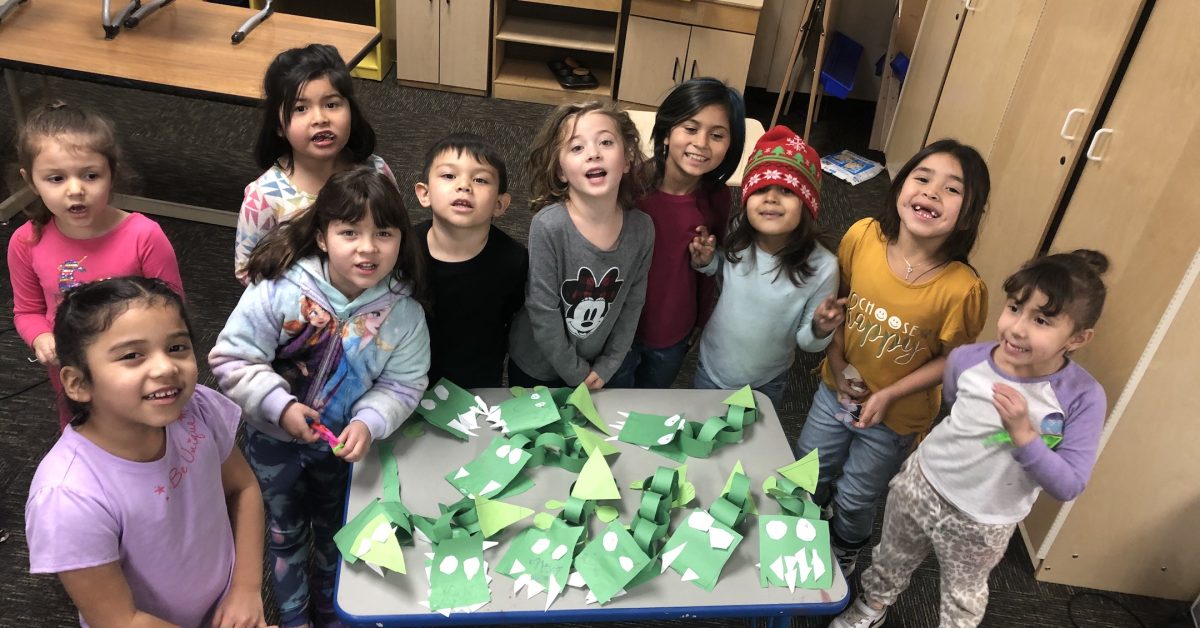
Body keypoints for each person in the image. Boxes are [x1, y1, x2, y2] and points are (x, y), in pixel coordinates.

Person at [831, 250, 1109, 628]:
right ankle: (873, 605)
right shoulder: (967, 359)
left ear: (1078, 337)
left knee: (964, 595)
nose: (1017, 328)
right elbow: (953, 407)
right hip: (922, 483)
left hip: (984, 519)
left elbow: (1069, 484)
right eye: (1014, 308)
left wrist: (1025, 435)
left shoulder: (1081, 397)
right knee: (891, 555)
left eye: (1042, 320)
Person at [210, 168, 429, 627]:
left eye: (383, 234)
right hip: (273, 444)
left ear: (400, 240)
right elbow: (232, 359)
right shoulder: (278, 290)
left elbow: (404, 384)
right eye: (350, 232)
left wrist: (369, 421)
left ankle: (333, 613)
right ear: (323, 237)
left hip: (345, 451)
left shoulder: (404, 313)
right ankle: (293, 618)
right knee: (284, 534)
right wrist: (280, 406)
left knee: (338, 534)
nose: (367, 247)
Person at [25, 277, 269, 628]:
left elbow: (243, 488)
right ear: (78, 383)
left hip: (227, 607)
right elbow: (120, 620)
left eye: (176, 348)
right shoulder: (68, 497)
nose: (166, 368)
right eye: (132, 355)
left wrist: (246, 588)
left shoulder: (195, 409)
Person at [795, 139, 992, 575]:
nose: (932, 192)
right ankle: (801, 528)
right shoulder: (863, 236)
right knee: (808, 468)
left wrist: (889, 395)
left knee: (857, 495)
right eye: (922, 178)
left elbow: (951, 360)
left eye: (952, 189)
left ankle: (845, 548)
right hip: (836, 389)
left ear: (968, 215)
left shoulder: (962, 289)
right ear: (900, 186)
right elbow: (838, 303)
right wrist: (838, 356)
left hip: (897, 416)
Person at [7, 101, 183, 429]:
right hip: (74, 368)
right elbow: (26, 311)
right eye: (56, 178)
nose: (76, 190)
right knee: (83, 428)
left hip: (138, 366)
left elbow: (173, 309)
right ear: (31, 181)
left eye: (90, 175)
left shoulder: (144, 235)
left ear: (111, 175)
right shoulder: (26, 241)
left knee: (148, 433)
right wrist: (41, 337)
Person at [689, 125, 843, 409]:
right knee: (701, 432)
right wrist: (708, 262)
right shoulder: (738, 232)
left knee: (750, 446)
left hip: (765, 381)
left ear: (807, 203)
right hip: (711, 365)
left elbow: (807, 343)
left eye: (786, 190)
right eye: (761, 189)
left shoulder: (824, 267)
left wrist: (821, 329)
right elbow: (727, 276)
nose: (771, 198)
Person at [507, 101, 653, 390]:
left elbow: (632, 303)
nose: (594, 154)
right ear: (560, 170)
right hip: (538, 366)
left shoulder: (642, 229)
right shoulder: (549, 226)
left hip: (598, 366)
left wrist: (610, 362)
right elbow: (542, 309)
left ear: (626, 160)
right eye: (577, 148)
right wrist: (575, 373)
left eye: (606, 142)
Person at [612, 77, 746, 388]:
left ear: (731, 143)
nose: (701, 143)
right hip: (618, 328)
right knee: (609, 409)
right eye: (690, 128)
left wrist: (701, 319)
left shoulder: (717, 197)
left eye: (717, 135)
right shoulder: (629, 185)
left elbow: (709, 267)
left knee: (651, 406)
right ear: (668, 130)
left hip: (672, 331)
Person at [234, 43, 396, 283]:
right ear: (278, 125)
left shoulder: (376, 171)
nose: (320, 119)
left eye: (332, 104)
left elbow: (395, 233)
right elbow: (247, 270)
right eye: (301, 108)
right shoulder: (264, 197)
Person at [413, 132, 528, 388]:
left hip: (480, 381)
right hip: (406, 379)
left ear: (500, 204)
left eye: (480, 179)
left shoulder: (513, 259)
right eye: (449, 176)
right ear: (424, 193)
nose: (464, 185)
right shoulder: (404, 251)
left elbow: (512, 317)